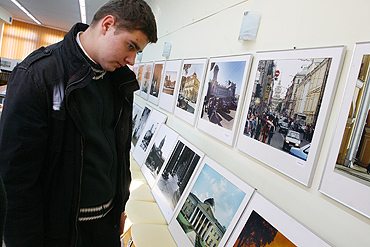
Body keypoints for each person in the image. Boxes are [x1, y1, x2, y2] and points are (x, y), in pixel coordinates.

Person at [0, 0, 157, 246]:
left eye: (137, 51)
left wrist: (118, 208)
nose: (132, 60)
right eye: (130, 46)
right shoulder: (38, 76)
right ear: (107, 25)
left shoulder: (120, 83)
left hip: (105, 229)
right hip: (58, 234)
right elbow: (16, 182)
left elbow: (119, 153)